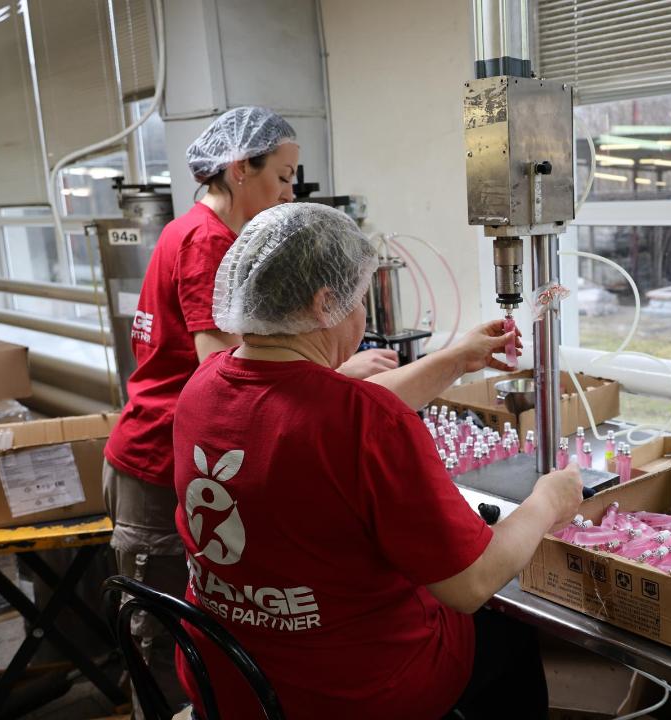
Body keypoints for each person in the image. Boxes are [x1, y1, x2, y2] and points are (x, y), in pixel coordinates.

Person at [173, 203, 583, 720]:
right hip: (349, 695)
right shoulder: (362, 422)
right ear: (326, 304)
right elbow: (470, 584)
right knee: (514, 634)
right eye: (360, 299)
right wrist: (548, 501)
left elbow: (318, 404)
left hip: (228, 682)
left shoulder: (202, 386)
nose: (364, 314)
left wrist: (456, 359)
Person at [101, 106, 393, 714]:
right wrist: (335, 373)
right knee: (161, 639)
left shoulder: (194, 232)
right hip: (160, 460)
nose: (289, 192)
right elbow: (224, 370)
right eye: (283, 176)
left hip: (186, 456)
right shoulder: (208, 244)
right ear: (240, 169)